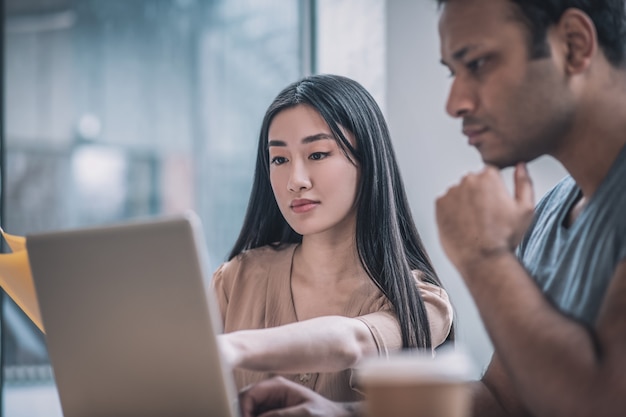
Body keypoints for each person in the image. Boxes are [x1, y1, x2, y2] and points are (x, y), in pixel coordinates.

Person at [237, 1, 626, 416]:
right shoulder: (551, 212)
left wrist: (484, 258)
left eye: (476, 63)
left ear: (574, 44)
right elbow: (504, 400)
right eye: (451, 72)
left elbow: (601, 401)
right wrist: (339, 414)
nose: (454, 102)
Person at [212, 74, 453, 402]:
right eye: (280, 159)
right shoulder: (236, 279)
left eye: (318, 154)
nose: (295, 181)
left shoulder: (421, 304)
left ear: (368, 161)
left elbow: (353, 341)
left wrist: (232, 348)